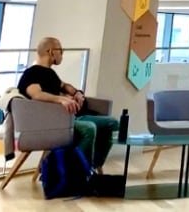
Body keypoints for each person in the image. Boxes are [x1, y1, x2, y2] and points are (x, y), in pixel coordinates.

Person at [18, 37, 119, 170]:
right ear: (51, 51)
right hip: (54, 122)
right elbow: (36, 94)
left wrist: (76, 92)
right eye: (60, 50)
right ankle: (78, 173)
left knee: (113, 123)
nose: (62, 54)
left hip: (71, 116)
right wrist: (60, 99)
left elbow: (64, 86)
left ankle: (93, 167)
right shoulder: (31, 73)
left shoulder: (50, 73)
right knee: (89, 128)